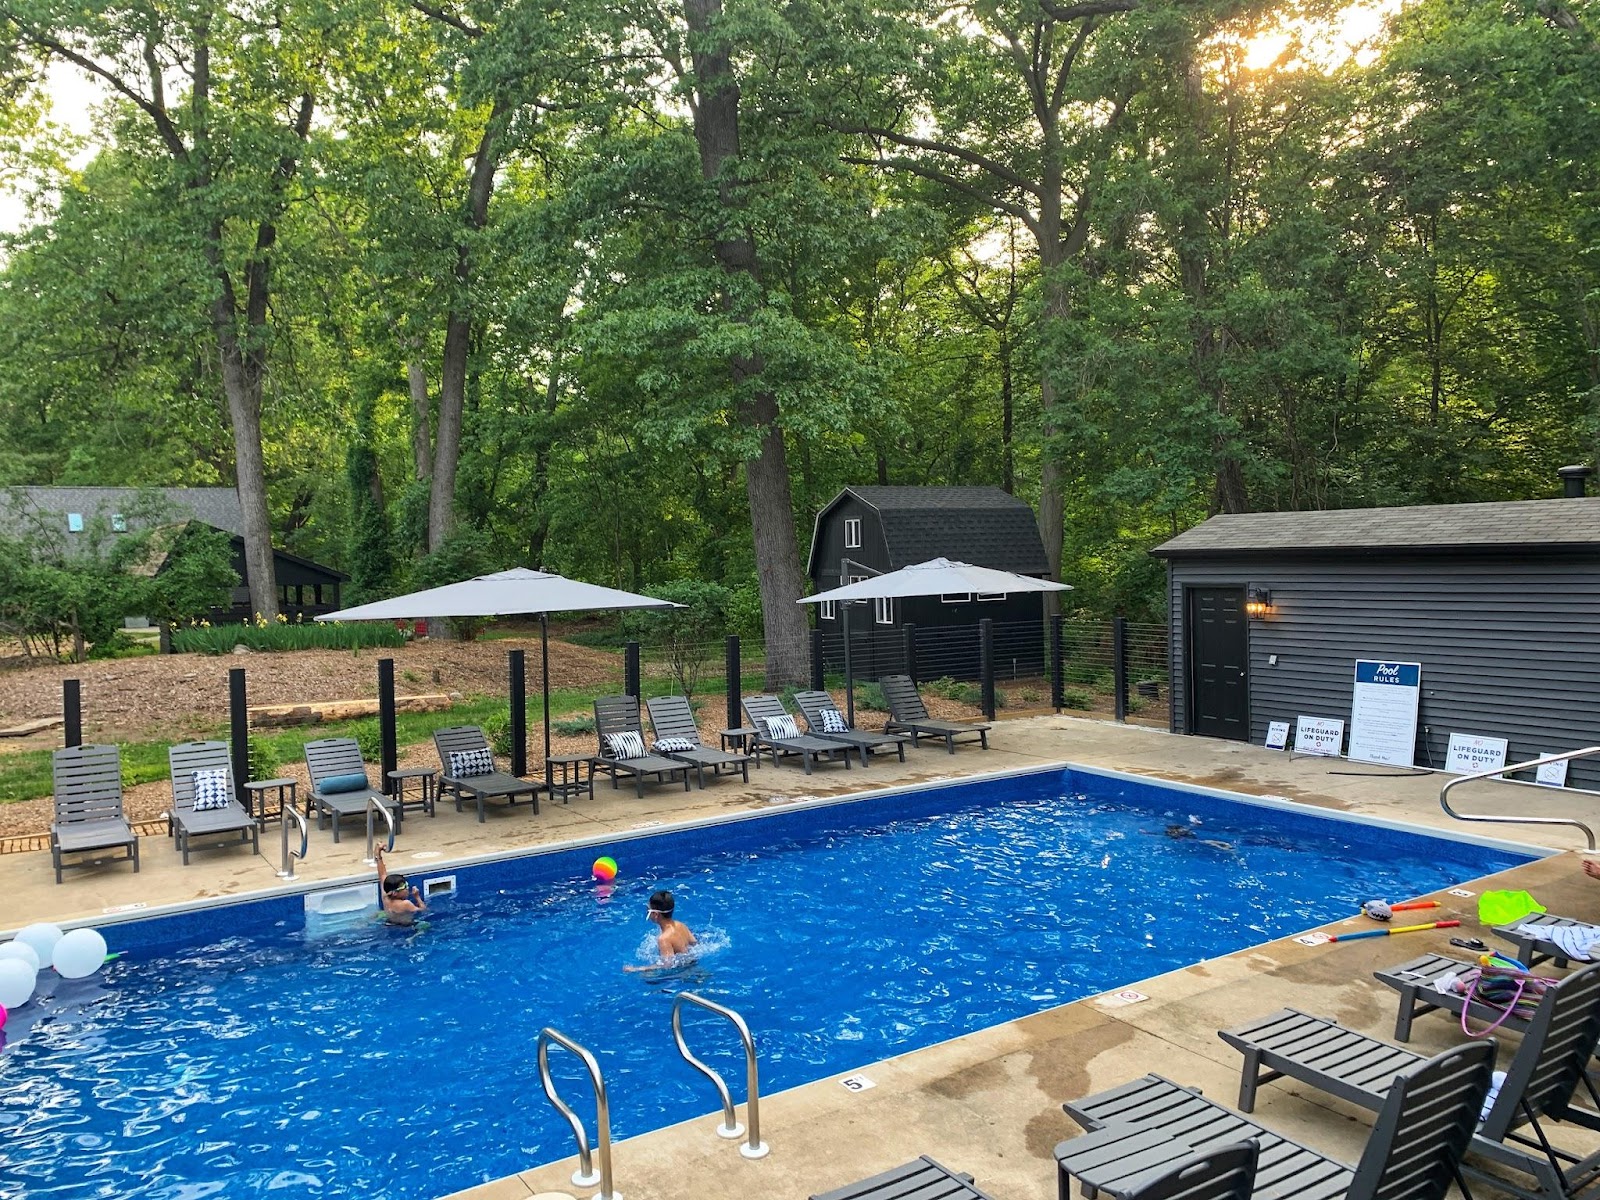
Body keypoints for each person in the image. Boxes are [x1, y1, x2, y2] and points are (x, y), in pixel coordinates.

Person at [626, 889, 697, 971]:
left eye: (648, 910)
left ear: (656, 914)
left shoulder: (664, 939)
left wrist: (637, 969)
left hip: (685, 973)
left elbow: (667, 966)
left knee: (647, 978)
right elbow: (694, 944)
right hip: (693, 965)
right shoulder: (681, 925)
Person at [375, 847, 426, 926]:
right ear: (395, 893)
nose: (407, 888)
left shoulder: (386, 898)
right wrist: (417, 897)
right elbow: (423, 910)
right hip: (406, 925)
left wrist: (378, 854)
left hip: (390, 923)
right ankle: (412, 938)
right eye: (404, 886)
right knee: (425, 925)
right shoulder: (406, 904)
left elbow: (382, 875)